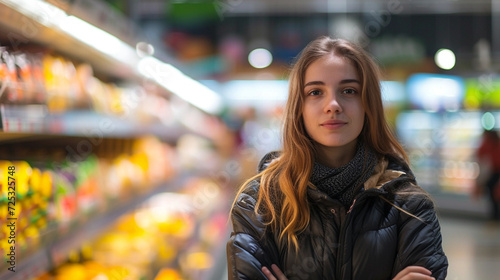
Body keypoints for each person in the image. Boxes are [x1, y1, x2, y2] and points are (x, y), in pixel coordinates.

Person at [226, 36, 448, 280]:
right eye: (315, 92)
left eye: (349, 91)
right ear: (299, 107)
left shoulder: (410, 206)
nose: (332, 105)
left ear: (369, 104)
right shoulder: (259, 203)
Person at [475, 128, 500, 221]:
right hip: (494, 174)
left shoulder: (487, 145)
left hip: (493, 174)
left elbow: (482, 160)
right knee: (494, 197)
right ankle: (494, 217)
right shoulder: (493, 144)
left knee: (493, 197)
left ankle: (494, 218)